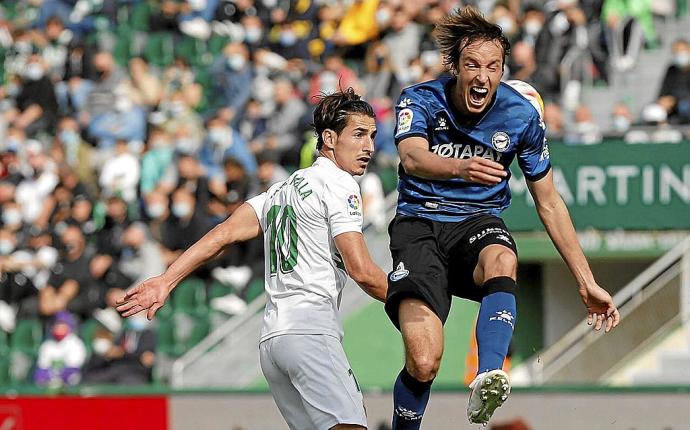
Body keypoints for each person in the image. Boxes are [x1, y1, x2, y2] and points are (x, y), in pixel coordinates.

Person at [385, 7, 621, 428]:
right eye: (472, 65)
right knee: (424, 362)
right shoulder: (419, 98)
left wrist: (586, 281)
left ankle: (488, 375)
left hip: (476, 221)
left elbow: (549, 202)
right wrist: (460, 167)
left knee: (502, 256)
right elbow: (412, 156)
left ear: (503, 70)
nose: (483, 76)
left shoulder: (521, 115)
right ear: (455, 66)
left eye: (493, 67)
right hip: (419, 224)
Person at [116, 88, 388, 430]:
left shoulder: (279, 191)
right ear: (330, 139)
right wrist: (413, 299)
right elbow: (362, 270)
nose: (370, 147)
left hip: (272, 342)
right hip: (310, 331)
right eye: (359, 134)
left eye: (373, 136)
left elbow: (223, 233)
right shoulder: (340, 185)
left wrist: (166, 280)